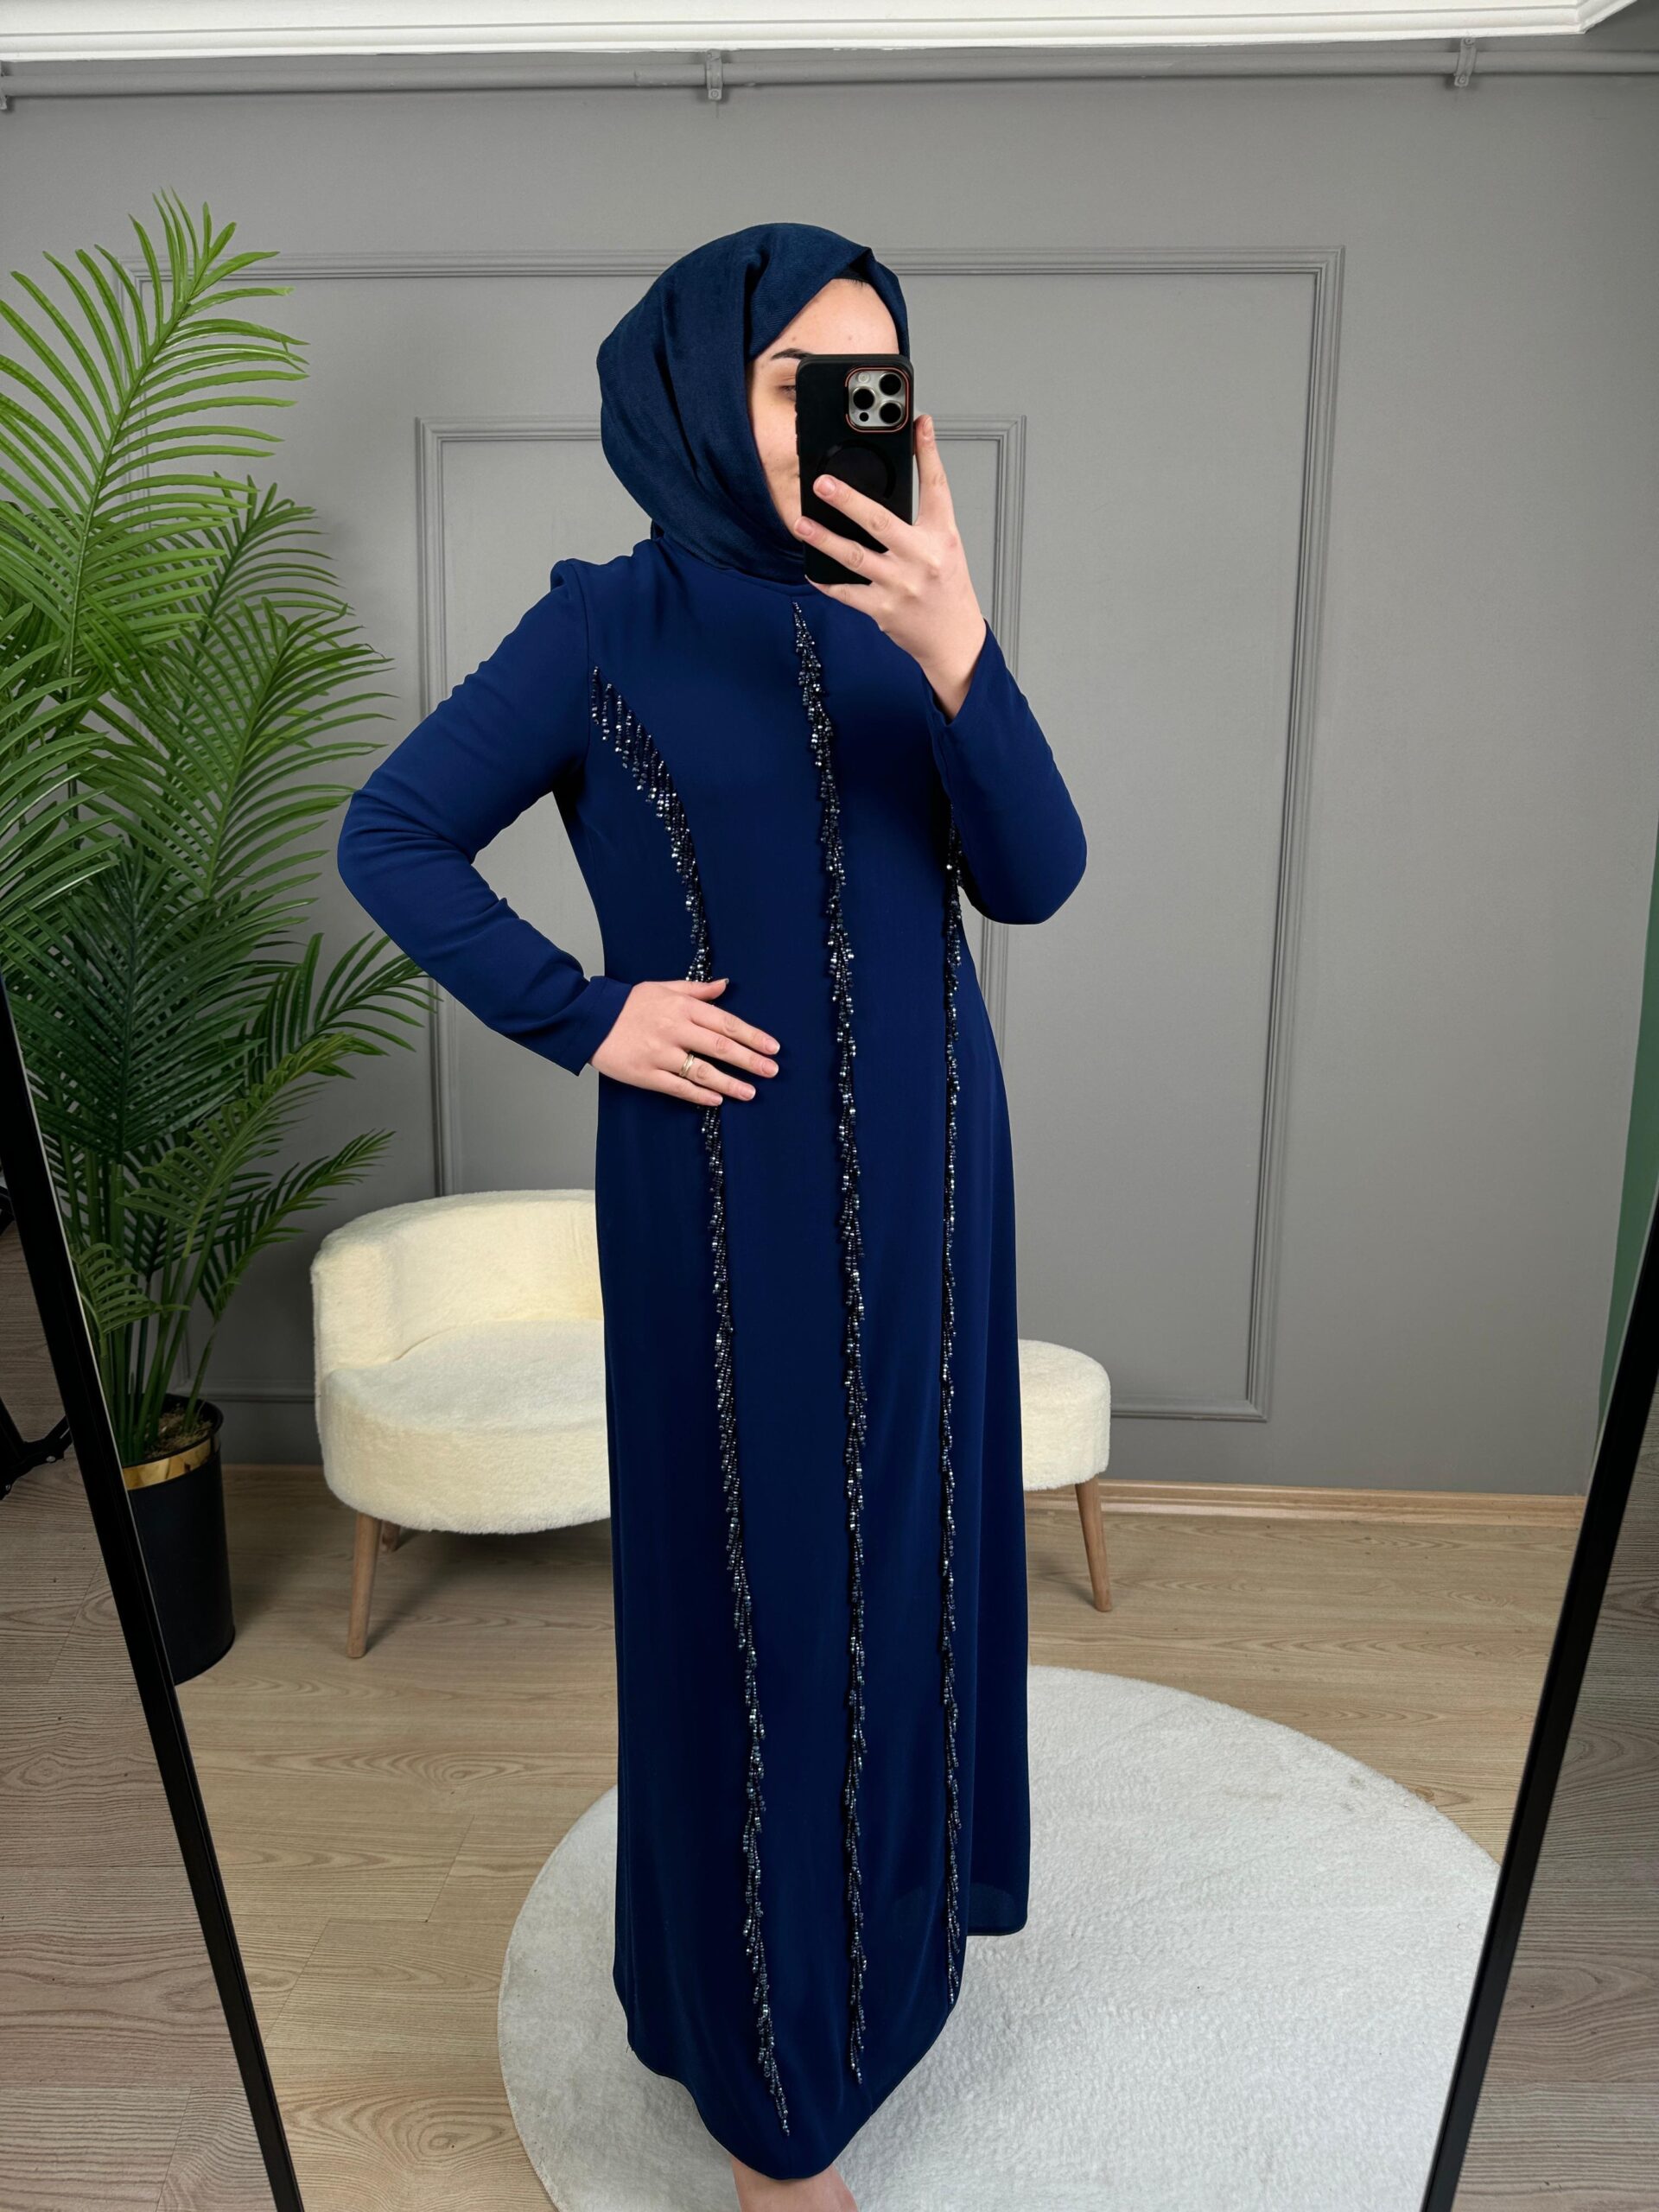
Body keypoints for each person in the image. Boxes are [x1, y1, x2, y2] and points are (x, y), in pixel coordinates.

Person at [335, 220, 1086, 2210]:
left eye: (875, 374)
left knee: (917, 1556)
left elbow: (1035, 874)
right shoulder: (605, 626)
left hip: (938, 1163)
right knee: (766, 1614)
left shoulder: (908, 611)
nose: (849, 411)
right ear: (692, 391)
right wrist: (589, 1015)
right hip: (729, 1190)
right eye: (797, 377)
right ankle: (772, 2099)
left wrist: (961, 643)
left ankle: (900, 1960)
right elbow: (391, 831)